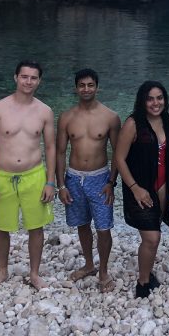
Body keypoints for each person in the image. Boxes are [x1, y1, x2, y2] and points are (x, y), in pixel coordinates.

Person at [0, 60, 56, 290]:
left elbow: (51, 147)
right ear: (16, 78)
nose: (28, 81)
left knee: (36, 226)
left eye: (33, 78)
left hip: (34, 175)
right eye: (24, 77)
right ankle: (2, 271)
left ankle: (34, 273)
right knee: (1, 227)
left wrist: (50, 182)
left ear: (39, 81)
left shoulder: (44, 111)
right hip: (4, 176)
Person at [55, 68, 121, 293]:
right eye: (82, 85)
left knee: (103, 228)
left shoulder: (110, 117)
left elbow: (118, 153)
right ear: (76, 88)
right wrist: (61, 185)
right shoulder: (66, 117)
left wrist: (112, 182)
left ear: (97, 87)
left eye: (90, 85)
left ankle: (103, 271)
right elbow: (60, 152)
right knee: (82, 224)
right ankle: (89, 264)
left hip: (99, 177)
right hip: (73, 178)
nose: (86, 89)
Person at [115, 81, 169, 298]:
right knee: (151, 238)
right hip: (139, 186)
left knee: (155, 230)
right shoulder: (133, 124)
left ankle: (147, 270)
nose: (155, 103)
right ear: (142, 100)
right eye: (150, 98)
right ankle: (143, 283)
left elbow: (168, 156)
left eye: (159, 98)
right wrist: (135, 188)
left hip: (162, 185)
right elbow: (119, 159)